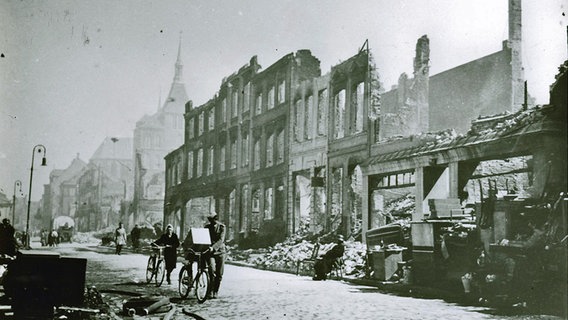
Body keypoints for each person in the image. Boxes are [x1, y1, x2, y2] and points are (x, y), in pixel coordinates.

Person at [205, 212, 226, 298]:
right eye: (210, 220)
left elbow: (221, 240)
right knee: (211, 271)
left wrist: (213, 247)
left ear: (216, 219)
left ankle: (215, 291)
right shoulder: (207, 227)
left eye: (213, 220)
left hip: (220, 252)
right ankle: (210, 291)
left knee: (219, 274)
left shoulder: (222, 227)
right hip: (210, 253)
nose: (212, 222)